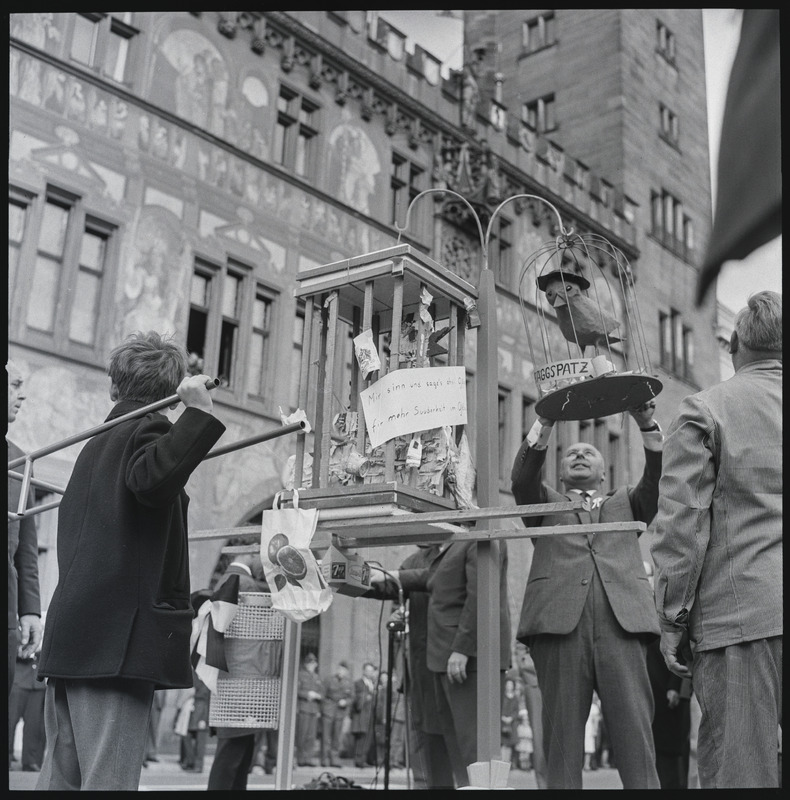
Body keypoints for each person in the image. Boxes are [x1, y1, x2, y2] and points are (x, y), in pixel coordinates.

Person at [34, 331, 225, 791]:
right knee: (109, 782)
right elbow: (152, 481)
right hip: (113, 647)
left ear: (114, 388)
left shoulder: (95, 447)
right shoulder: (147, 430)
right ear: (172, 394)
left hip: (75, 638)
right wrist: (197, 415)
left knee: (60, 780)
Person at [651, 290, 782, 789]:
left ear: (736, 347)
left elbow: (682, 522)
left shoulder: (707, 409)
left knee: (740, 773)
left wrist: (671, 618)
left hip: (743, 616)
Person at [511, 401, 663, 790]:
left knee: (636, 739)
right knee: (561, 745)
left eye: (589, 452)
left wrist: (647, 426)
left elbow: (658, 480)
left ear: (603, 470)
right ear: (560, 473)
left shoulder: (628, 501)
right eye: (571, 453)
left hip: (622, 627)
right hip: (559, 630)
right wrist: (543, 423)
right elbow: (522, 481)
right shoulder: (544, 504)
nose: (579, 453)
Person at [372, 539, 512, 788]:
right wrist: (359, 577)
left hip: (457, 659)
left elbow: (478, 595)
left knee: (469, 746)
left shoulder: (469, 542)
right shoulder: (424, 557)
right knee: (437, 743)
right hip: (429, 662)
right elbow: (407, 580)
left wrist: (462, 648)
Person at [362, 544, 457, 789]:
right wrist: (350, 579)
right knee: (421, 741)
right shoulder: (415, 559)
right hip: (418, 666)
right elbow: (389, 586)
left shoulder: (459, 550)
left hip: (450, 662)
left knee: (450, 739)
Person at [207, 553, 271, 791]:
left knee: (239, 756)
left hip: (237, 682)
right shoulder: (242, 581)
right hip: (242, 684)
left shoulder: (231, 579)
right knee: (231, 759)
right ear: (252, 554)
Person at [7, 361, 43, 697]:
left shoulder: (21, 463)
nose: (23, 395)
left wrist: (30, 610)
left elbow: (27, 552)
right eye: (16, 385)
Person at [642, 561, 691, 788]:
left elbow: (682, 644)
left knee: (674, 750)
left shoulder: (667, 601)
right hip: (650, 688)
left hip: (671, 686)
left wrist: (675, 685)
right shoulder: (639, 605)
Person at [513, 643, 547, 787]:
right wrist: (528, 666)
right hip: (536, 681)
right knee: (540, 738)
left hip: (566, 674)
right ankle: (544, 786)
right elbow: (521, 642)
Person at [8, 645, 47, 772]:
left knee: (34, 725)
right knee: (9, 721)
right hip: (17, 680)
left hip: (38, 683)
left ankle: (30, 761)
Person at [320, 660, 353, 767]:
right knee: (326, 736)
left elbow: (352, 697)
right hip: (328, 710)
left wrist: (345, 702)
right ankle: (324, 759)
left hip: (340, 712)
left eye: (343, 670)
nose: (341, 671)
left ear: (347, 672)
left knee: (336, 737)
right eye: (339, 669)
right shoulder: (329, 680)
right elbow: (323, 694)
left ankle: (334, 759)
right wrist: (323, 709)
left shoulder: (349, 682)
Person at [295, 652, 323, 766]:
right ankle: (301, 759)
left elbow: (322, 692)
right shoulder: (301, 675)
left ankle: (308, 758)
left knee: (311, 736)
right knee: (302, 734)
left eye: (313, 663)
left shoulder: (317, 677)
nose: (312, 665)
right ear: (306, 664)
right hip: (304, 708)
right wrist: (307, 694)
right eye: (309, 663)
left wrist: (318, 695)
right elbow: (297, 691)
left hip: (313, 709)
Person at [350, 662, 378, 768]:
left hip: (370, 715)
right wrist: (366, 697)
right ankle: (358, 760)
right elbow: (356, 698)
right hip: (362, 714)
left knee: (368, 737)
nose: (370, 673)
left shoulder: (372, 683)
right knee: (361, 737)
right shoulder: (358, 683)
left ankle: (363, 758)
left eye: (371, 671)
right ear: (364, 671)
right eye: (368, 670)